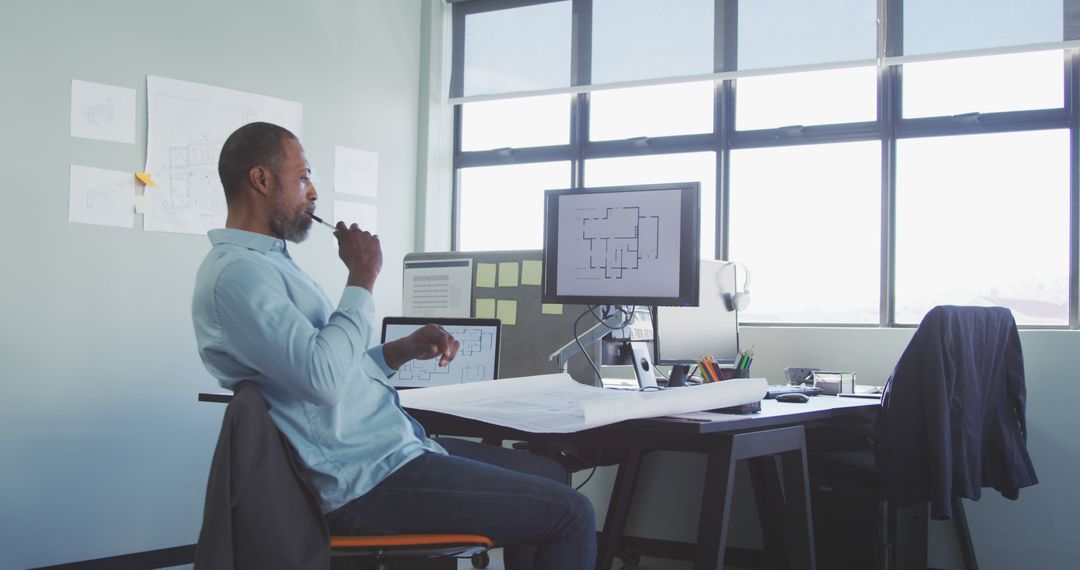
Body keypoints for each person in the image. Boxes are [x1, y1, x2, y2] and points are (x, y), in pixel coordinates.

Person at [191, 122, 596, 569]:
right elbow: (322, 380)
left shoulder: (270, 266)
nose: (313, 193)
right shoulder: (238, 275)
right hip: (363, 480)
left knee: (550, 473)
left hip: (391, 449)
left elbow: (329, 367)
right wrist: (362, 277)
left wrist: (398, 351)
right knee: (571, 513)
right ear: (262, 180)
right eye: (303, 176)